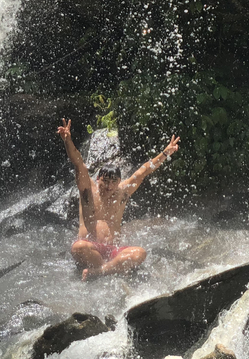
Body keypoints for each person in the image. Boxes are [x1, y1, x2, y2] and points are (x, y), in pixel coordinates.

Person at [57, 118, 180, 280]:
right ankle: (112, 268)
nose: (109, 187)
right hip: (90, 249)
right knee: (78, 247)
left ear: (118, 183)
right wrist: (68, 141)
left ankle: (100, 271)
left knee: (139, 253)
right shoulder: (88, 190)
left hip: (113, 250)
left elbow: (142, 172)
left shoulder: (122, 193)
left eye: (113, 183)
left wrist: (165, 154)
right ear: (98, 179)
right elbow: (78, 163)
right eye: (105, 182)